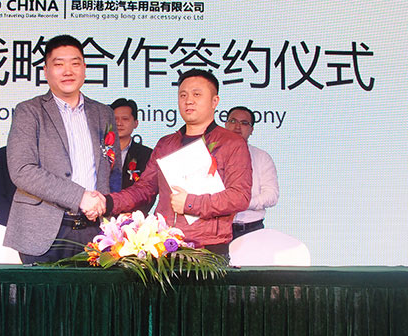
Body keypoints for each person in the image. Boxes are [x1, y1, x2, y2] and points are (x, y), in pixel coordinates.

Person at [102, 69, 252, 255]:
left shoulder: (231, 143)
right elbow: (144, 189)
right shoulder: (166, 144)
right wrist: (108, 202)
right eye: (183, 95)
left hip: (207, 248)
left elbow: (239, 196)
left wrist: (190, 203)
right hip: (163, 244)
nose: (188, 100)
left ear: (215, 101)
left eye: (197, 94)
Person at [2, 35, 118, 264]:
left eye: (75, 63)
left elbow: (113, 169)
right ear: (46, 71)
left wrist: (107, 206)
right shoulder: (28, 111)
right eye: (59, 64)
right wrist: (79, 197)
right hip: (43, 230)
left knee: (93, 289)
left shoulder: (103, 113)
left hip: (95, 230)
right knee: (43, 289)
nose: (68, 71)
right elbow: (22, 170)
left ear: (84, 68)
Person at [225, 106, 279, 239]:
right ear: (225, 125)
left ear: (252, 130)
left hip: (251, 229)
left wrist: (244, 203)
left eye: (244, 123)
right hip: (217, 229)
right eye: (233, 121)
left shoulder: (261, 157)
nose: (237, 127)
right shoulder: (212, 154)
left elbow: (271, 195)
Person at [109, 98, 154, 213]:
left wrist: (131, 219)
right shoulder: (99, 152)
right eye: (115, 119)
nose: (119, 123)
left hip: (132, 218)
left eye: (125, 119)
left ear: (135, 123)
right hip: (99, 215)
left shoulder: (147, 155)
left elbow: (148, 192)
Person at [0, 146, 15, 226]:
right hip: (9, 222)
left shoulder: (45, 153)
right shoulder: (2, 154)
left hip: (43, 222)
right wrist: (13, 219)